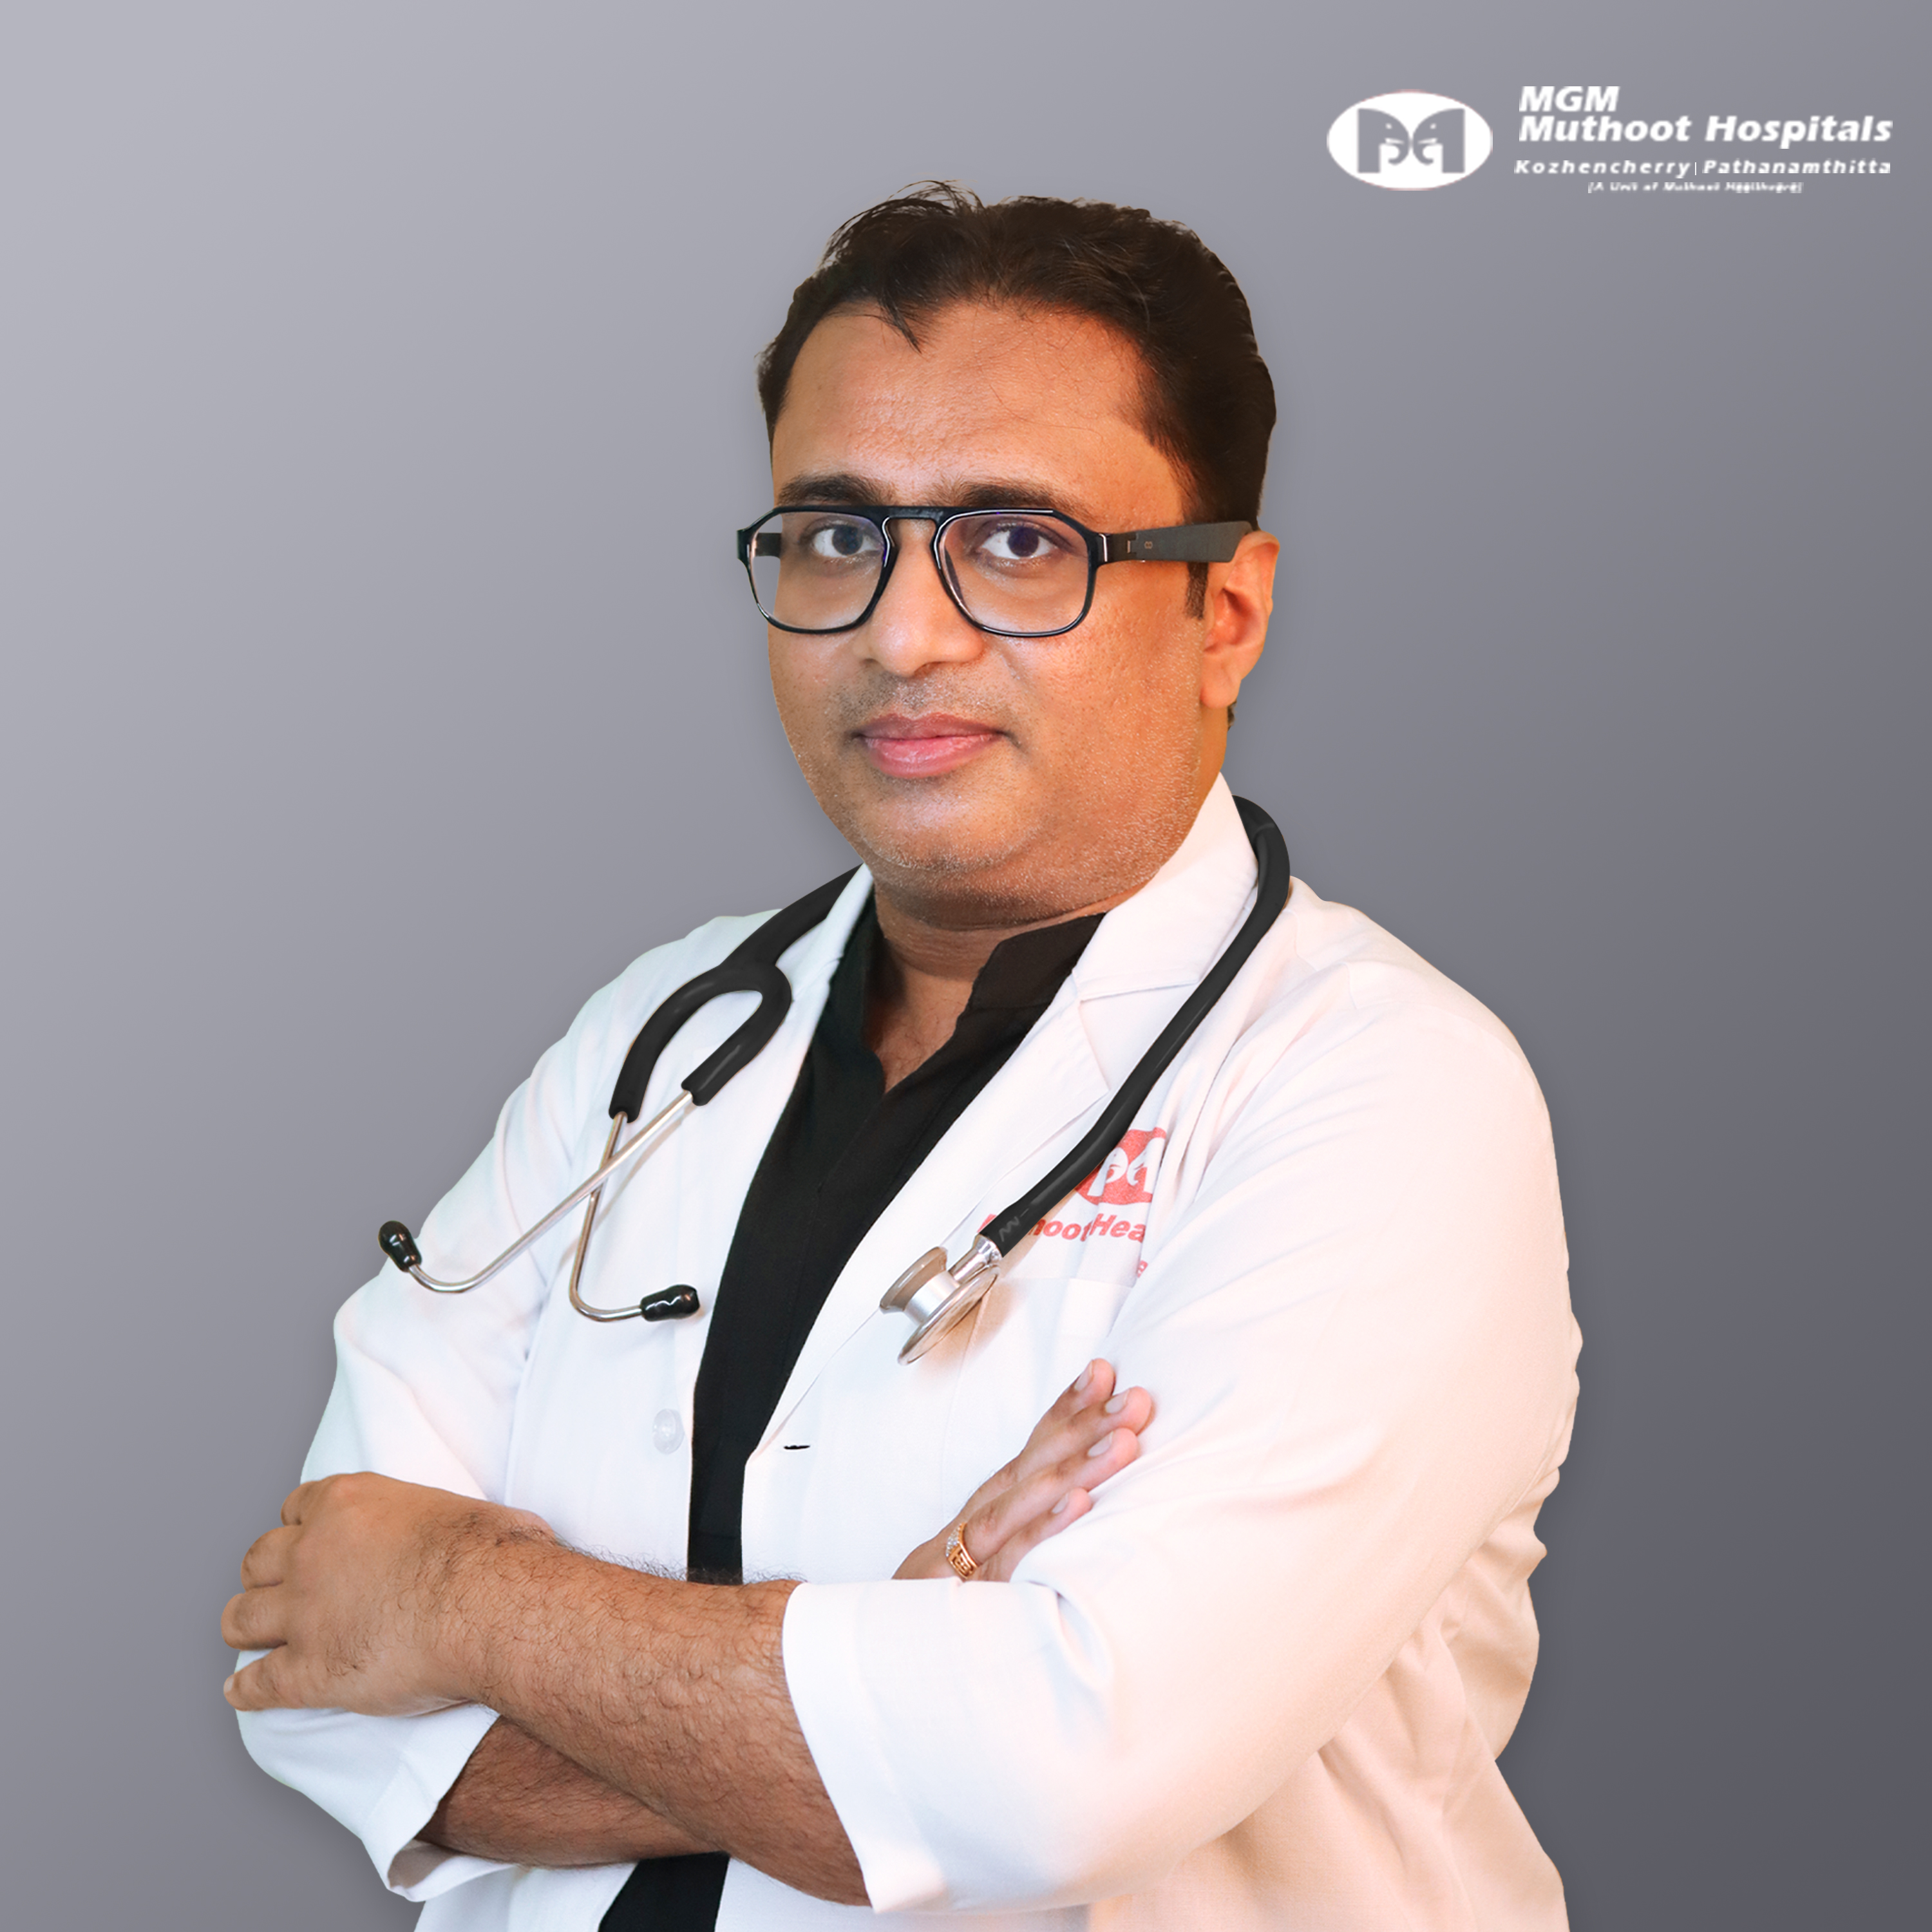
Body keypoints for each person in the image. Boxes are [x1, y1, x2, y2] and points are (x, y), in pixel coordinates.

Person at [224, 185, 1580, 1931]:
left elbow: (1066, 1781)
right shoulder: (656, 1034)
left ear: (1226, 611)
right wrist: (911, 1639)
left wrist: (460, 1599)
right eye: (834, 535)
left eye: (1016, 542)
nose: (901, 633)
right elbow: (308, 1672)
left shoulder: (1382, 1093)